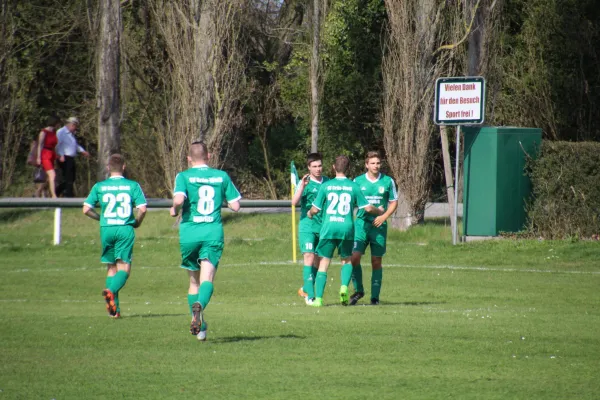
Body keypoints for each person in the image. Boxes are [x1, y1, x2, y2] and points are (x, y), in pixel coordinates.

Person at [170, 141, 241, 341]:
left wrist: (174, 209)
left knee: (194, 281)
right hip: (212, 232)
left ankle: (199, 324)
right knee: (207, 279)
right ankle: (200, 307)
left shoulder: (183, 176)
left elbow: (178, 201)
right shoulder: (221, 176)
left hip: (189, 234)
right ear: (208, 156)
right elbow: (235, 206)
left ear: (188, 158)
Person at [307, 155, 382, 307]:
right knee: (346, 260)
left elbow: (315, 209)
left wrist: (309, 213)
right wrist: (379, 211)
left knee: (324, 262)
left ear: (334, 167)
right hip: (347, 228)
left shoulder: (326, 185)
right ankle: (343, 288)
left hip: (329, 228)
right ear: (348, 169)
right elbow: (367, 208)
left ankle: (319, 299)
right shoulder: (353, 186)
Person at [82, 154, 147, 318]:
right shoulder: (132, 185)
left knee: (111, 267)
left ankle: (114, 311)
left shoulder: (99, 186)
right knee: (124, 268)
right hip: (124, 228)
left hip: (107, 229)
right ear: (124, 167)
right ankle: (111, 291)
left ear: (108, 168)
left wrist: (100, 218)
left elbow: (86, 209)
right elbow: (143, 208)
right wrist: (137, 222)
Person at [349, 151, 398, 306]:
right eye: (373, 163)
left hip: (379, 226)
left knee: (376, 261)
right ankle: (359, 290)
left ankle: (375, 298)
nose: (376, 166)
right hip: (361, 224)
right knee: (354, 257)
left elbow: (394, 202)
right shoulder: (357, 181)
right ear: (366, 165)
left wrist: (384, 217)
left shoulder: (388, 181)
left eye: (378, 163)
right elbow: (351, 201)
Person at [291, 153, 329, 305]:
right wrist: (302, 187)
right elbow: (294, 202)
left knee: (319, 262)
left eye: (319, 166)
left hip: (324, 226)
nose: (318, 169)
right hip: (307, 225)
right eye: (314, 166)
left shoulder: (327, 182)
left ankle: (305, 288)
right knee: (309, 257)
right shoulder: (304, 182)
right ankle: (311, 296)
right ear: (308, 167)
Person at [56, 116, 89, 197]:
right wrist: (61, 155)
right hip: (64, 158)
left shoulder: (71, 134)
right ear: (72, 125)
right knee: (68, 177)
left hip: (70, 158)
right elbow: (57, 145)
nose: (75, 128)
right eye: (75, 126)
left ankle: (59, 191)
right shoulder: (61, 132)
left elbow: (75, 145)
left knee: (72, 177)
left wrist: (82, 151)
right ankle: (68, 195)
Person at [36, 116, 62, 198]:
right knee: (52, 175)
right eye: (58, 123)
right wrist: (38, 158)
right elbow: (40, 145)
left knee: (48, 178)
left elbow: (55, 145)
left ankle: (39, 191)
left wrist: (57, 155)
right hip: (45, 155)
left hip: (52, 154)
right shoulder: (43, 132)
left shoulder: (54, 132)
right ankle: (54, 195)